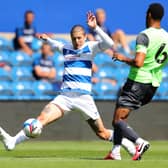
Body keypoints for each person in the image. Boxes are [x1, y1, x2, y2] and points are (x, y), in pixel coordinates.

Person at [0, 12, 135, 156]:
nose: (77, 41)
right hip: (65, 97)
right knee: (41, 120)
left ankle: (127, 143)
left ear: (84, 37)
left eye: (79, 38)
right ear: (71, 38)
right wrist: (47, 39)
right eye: (74, 38)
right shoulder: (66, 48)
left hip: (84, 98)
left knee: (102, 133)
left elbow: (109, 43)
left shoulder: (90, 47)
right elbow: (56, 44)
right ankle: (12, 142)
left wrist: (95, 28)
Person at [104, 3, 168, 161]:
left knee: (117, 120)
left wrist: (122, 58)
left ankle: (139, 142)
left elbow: (139, 62)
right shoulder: (166, 37)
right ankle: (116, 151)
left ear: (149, 15)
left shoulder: (144, 35)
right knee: (121, 115)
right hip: (153, 85)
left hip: (138, 81)